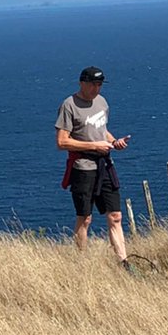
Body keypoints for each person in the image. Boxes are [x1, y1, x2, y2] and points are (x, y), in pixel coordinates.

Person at [55, 65, 131, 270]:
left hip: (104, 165)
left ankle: (123, 263)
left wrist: (114, 142)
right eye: (93, 84)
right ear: (82, 83)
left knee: (115, 215)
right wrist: (94, 146)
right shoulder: (69, 105)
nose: (96, 88)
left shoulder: (102, 102)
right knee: (85, 218)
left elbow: (101, 130)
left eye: (99, 85)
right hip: (83, 167)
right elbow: (62, 142)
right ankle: (81, 264)